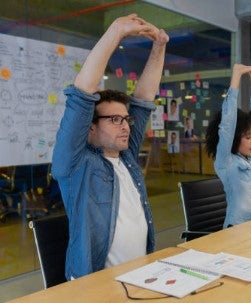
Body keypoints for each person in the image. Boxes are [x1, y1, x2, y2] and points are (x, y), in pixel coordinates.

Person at [51, 14, 169, 280]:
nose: (126, 126)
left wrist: (159, 46)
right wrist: (116, 31)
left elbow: (143, 99)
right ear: (90, 127)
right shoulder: (75, 164)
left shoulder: (125, 156)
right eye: (114, 120)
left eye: (125, 119)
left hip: (141, 275)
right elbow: (80, 96)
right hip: (96, 283)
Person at [205, 58, 251, 228]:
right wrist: (236, 77)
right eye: (248, 137)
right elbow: (227, 126)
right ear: (235, 138)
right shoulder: (227, 162)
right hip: (238, 231)